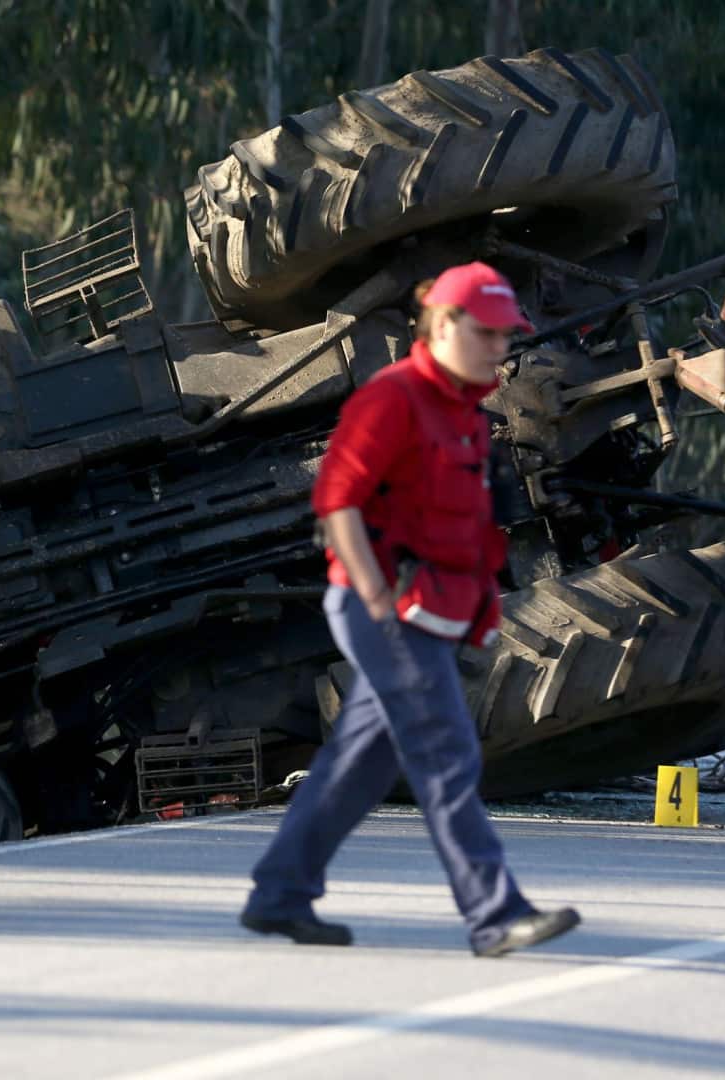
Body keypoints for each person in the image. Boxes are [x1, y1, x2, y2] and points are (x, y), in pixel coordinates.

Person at [238, 261, 580, 957]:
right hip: (388, 610)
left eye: (505, 335)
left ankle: (279, 893)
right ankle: (495, 914)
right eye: (487, 334)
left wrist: (480, 615)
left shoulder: (466, 416)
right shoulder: (391, 400)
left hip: (434, 613)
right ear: (446, 325)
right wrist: (378, 605)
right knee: (447, 756)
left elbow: (469, 530)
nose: (499, 347)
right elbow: (337, 503)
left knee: (360, 765)